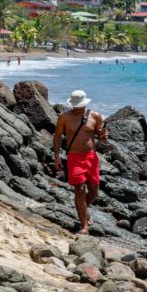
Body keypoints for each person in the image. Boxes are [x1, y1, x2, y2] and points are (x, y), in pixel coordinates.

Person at [53, 90, 109, 234]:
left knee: (94, 192)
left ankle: (83, 209)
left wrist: (104, 136)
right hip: (74, 157)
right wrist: (57, 156)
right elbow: (58, 136)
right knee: (79, 190)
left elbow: (100, 137)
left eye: (80, 106)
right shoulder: (64, 117)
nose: (78, 108)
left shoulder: (95, 116)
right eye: (75, 106)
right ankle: (84, 226)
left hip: (91, 157)